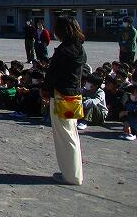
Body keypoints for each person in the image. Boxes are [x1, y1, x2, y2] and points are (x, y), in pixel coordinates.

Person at [41, 16, 86, 186]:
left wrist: (45, 90)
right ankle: (74, 172)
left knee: (64, 137)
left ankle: (71, 175)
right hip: (74, 95)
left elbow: (52, 74)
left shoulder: (63, 51)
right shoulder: (79, 48)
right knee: (71, 134)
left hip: (61, 95)